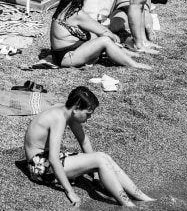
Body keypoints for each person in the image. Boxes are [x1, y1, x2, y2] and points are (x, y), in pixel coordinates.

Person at [24, 86, 154, 208]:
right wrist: (70, 192)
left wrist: (96, 173)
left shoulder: (67, 111)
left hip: (45, 159)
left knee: (104, 157)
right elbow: (53, 159)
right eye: (88, 113)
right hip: (38, 166)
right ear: (76, 108)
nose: (89, 117)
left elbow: (83, 141)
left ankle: (141, 197)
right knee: (100, 159)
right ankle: (128, 205)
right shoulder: (58, 118)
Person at [50, 0, 150, 69]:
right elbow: (103, 31)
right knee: (105, 40)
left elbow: (95, 29)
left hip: (60, 55)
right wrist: (115, 38)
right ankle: (134, 64)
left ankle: (127, 54)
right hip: (67, 57)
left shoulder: (64, 8)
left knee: (96, 36)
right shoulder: (76, 13)